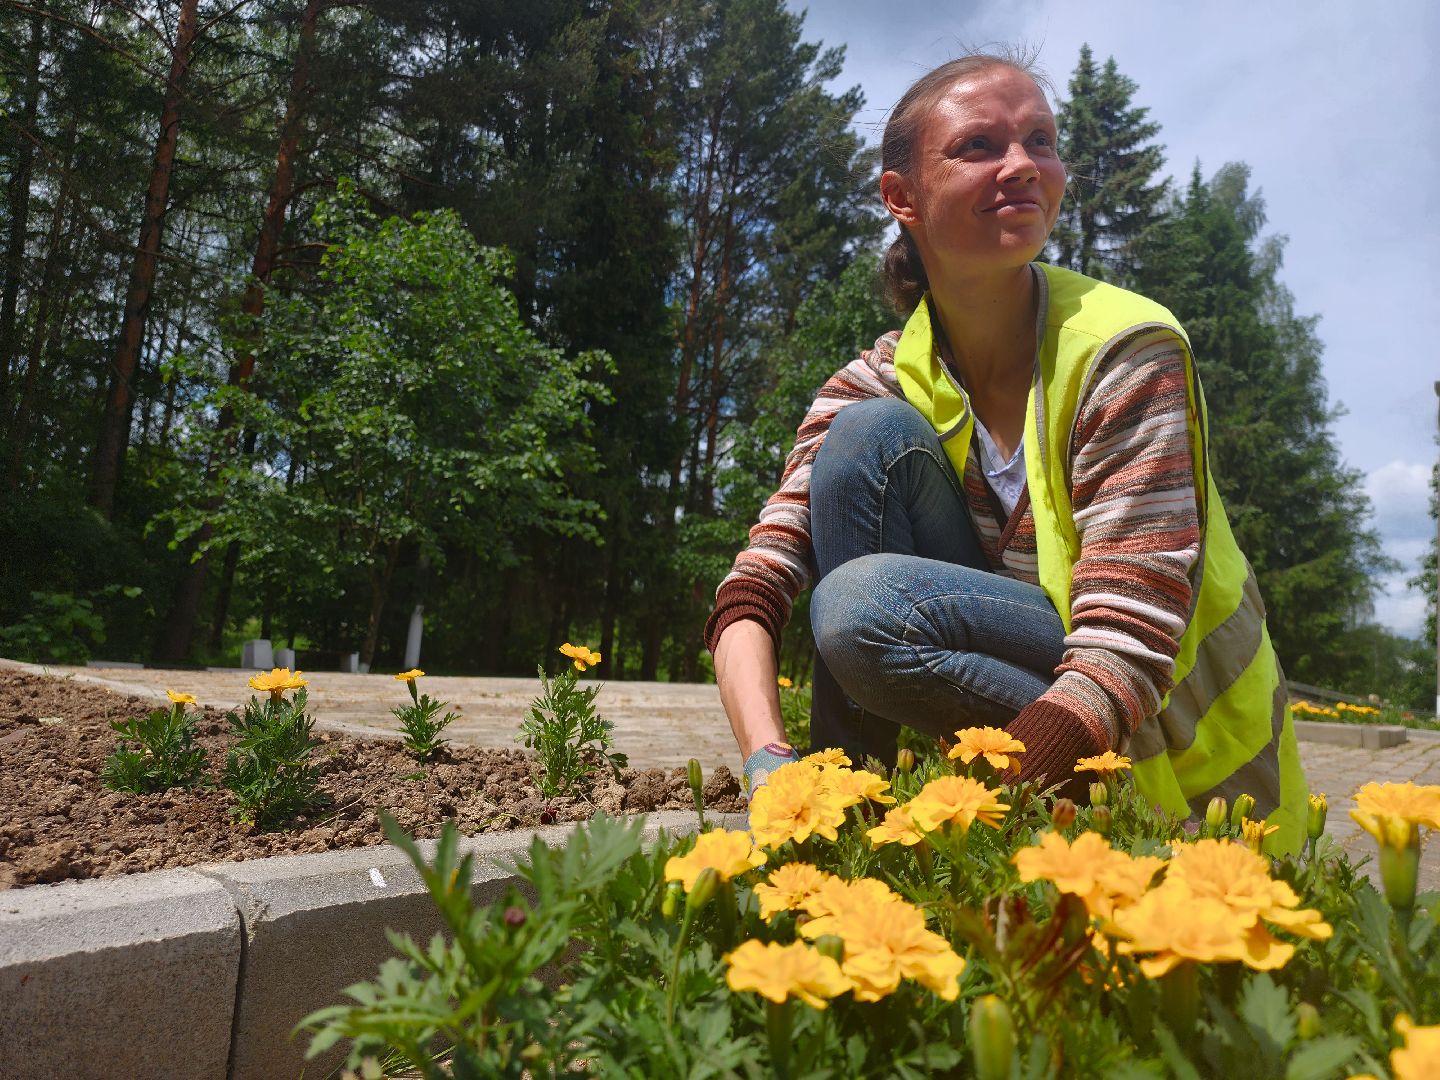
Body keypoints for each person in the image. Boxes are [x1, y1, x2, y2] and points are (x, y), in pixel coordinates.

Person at [704, 50, 1309, 853]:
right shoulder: (883, 377)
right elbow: (756, 584)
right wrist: (768, 764)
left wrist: (965, 821)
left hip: (1175, 756)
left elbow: (1126, 641)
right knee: (864, 441)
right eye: (980, 146)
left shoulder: (1123, 348)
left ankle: (904, 833)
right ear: (901, 198)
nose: (1023, 165)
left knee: (859, 610)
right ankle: (841, 802)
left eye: (1041, 141)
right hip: (1042, 705)